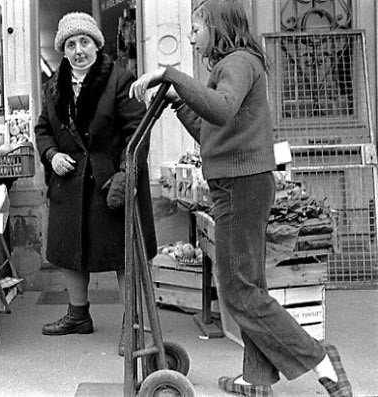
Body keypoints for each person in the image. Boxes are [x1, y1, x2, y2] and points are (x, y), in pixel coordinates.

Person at [129, 1, 352, 396]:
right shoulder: (235, 65)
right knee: (249, 285)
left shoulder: (235, 64)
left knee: (237, 290)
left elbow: (220, 108)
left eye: (196, 29)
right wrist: (179, 103)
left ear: (216, 26)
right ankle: (257, 378)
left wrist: (170, 75)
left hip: (240, 185)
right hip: (241, 181)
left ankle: (319, 358)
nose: (191, 37)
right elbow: (213, 131)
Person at [35, 11, 157, 355]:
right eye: (70, 44)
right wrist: (51, 155)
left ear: (96, 44)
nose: (78, 50)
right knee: (69, 251)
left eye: (84, 42)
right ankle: (78, 316)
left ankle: (133, 325)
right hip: (70, 181)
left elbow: (138, 130)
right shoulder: (53, 86)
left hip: (110, 182)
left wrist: (126, 173)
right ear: (62, 50)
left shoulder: (120, 79)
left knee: (123, 254)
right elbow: (43, 129)